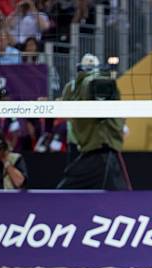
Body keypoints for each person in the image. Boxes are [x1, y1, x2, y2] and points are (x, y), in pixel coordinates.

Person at [56, 53, 130, 190]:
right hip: (82, 146)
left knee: (118, 194)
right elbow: (64, 113)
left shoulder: (97, 82)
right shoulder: (73, 87)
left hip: (101, 148)